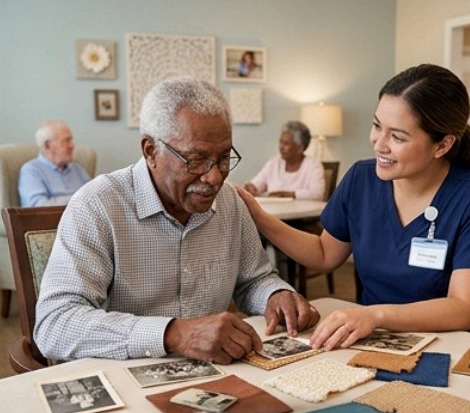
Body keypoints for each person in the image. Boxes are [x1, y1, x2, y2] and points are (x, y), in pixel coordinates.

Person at [34, 76, 319, 364]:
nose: (214, 177)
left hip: (216, 372)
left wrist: (275, 294)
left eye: (223, 158)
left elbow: (253, 280)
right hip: (122, 373)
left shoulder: (230, 201)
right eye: (195, 160)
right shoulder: (97, 205)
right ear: (150, 151)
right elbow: (55, 324)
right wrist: (172, 334)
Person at [237, 64, 470, 351]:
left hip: (456, 345)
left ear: (442, 146)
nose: (379, 144)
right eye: (377, 126)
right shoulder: (361, 179)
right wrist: (258, 216)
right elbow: (324, 253)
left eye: (398, 137)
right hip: (379, 341)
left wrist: (375, 315)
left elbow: (462, 308)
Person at [243, 121, 325, 200]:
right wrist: (251, 187)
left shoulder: (313, 166)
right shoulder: (273, 163)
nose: (281, 147)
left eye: (286, 144)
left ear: (300, 148)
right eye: (281, 142)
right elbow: (257, 183)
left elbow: (317, 194)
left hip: (302, 213)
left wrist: (290, 195)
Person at [18, 121, 91, 206]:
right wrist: (79, 200)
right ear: (48, 146)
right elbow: (38, 206)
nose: (72, 146)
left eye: (71, 140)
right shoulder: (31, 170)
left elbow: (94, 197)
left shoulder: (77, 168)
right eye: (67, 141)